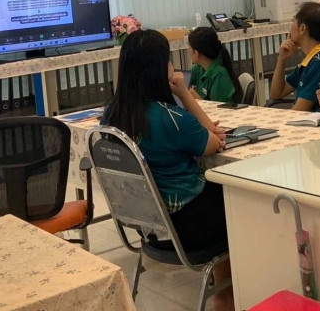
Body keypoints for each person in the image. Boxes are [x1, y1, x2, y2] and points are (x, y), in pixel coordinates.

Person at [101, 29, 233, 311]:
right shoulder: (170, 118)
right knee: (236, 198)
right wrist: (183, 93)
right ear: (159, 69)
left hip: (149, 226)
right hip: (187, 227)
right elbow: (214, 141)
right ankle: (226, 296)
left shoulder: (111, 113)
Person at [270, 2, 320, 111]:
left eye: (293, 21)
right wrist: (282, 59)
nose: (290, 27)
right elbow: (276, 93)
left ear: (302, 29)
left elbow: (299, 111)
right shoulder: (310, 60)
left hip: (310, 120)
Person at [188, 27, 243, 104]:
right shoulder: (199, 68)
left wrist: (192, 95)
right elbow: (182, 79)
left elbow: (217, 108)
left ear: (196, 53)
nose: (188, 51)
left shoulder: (219, 75)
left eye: (189, 48)